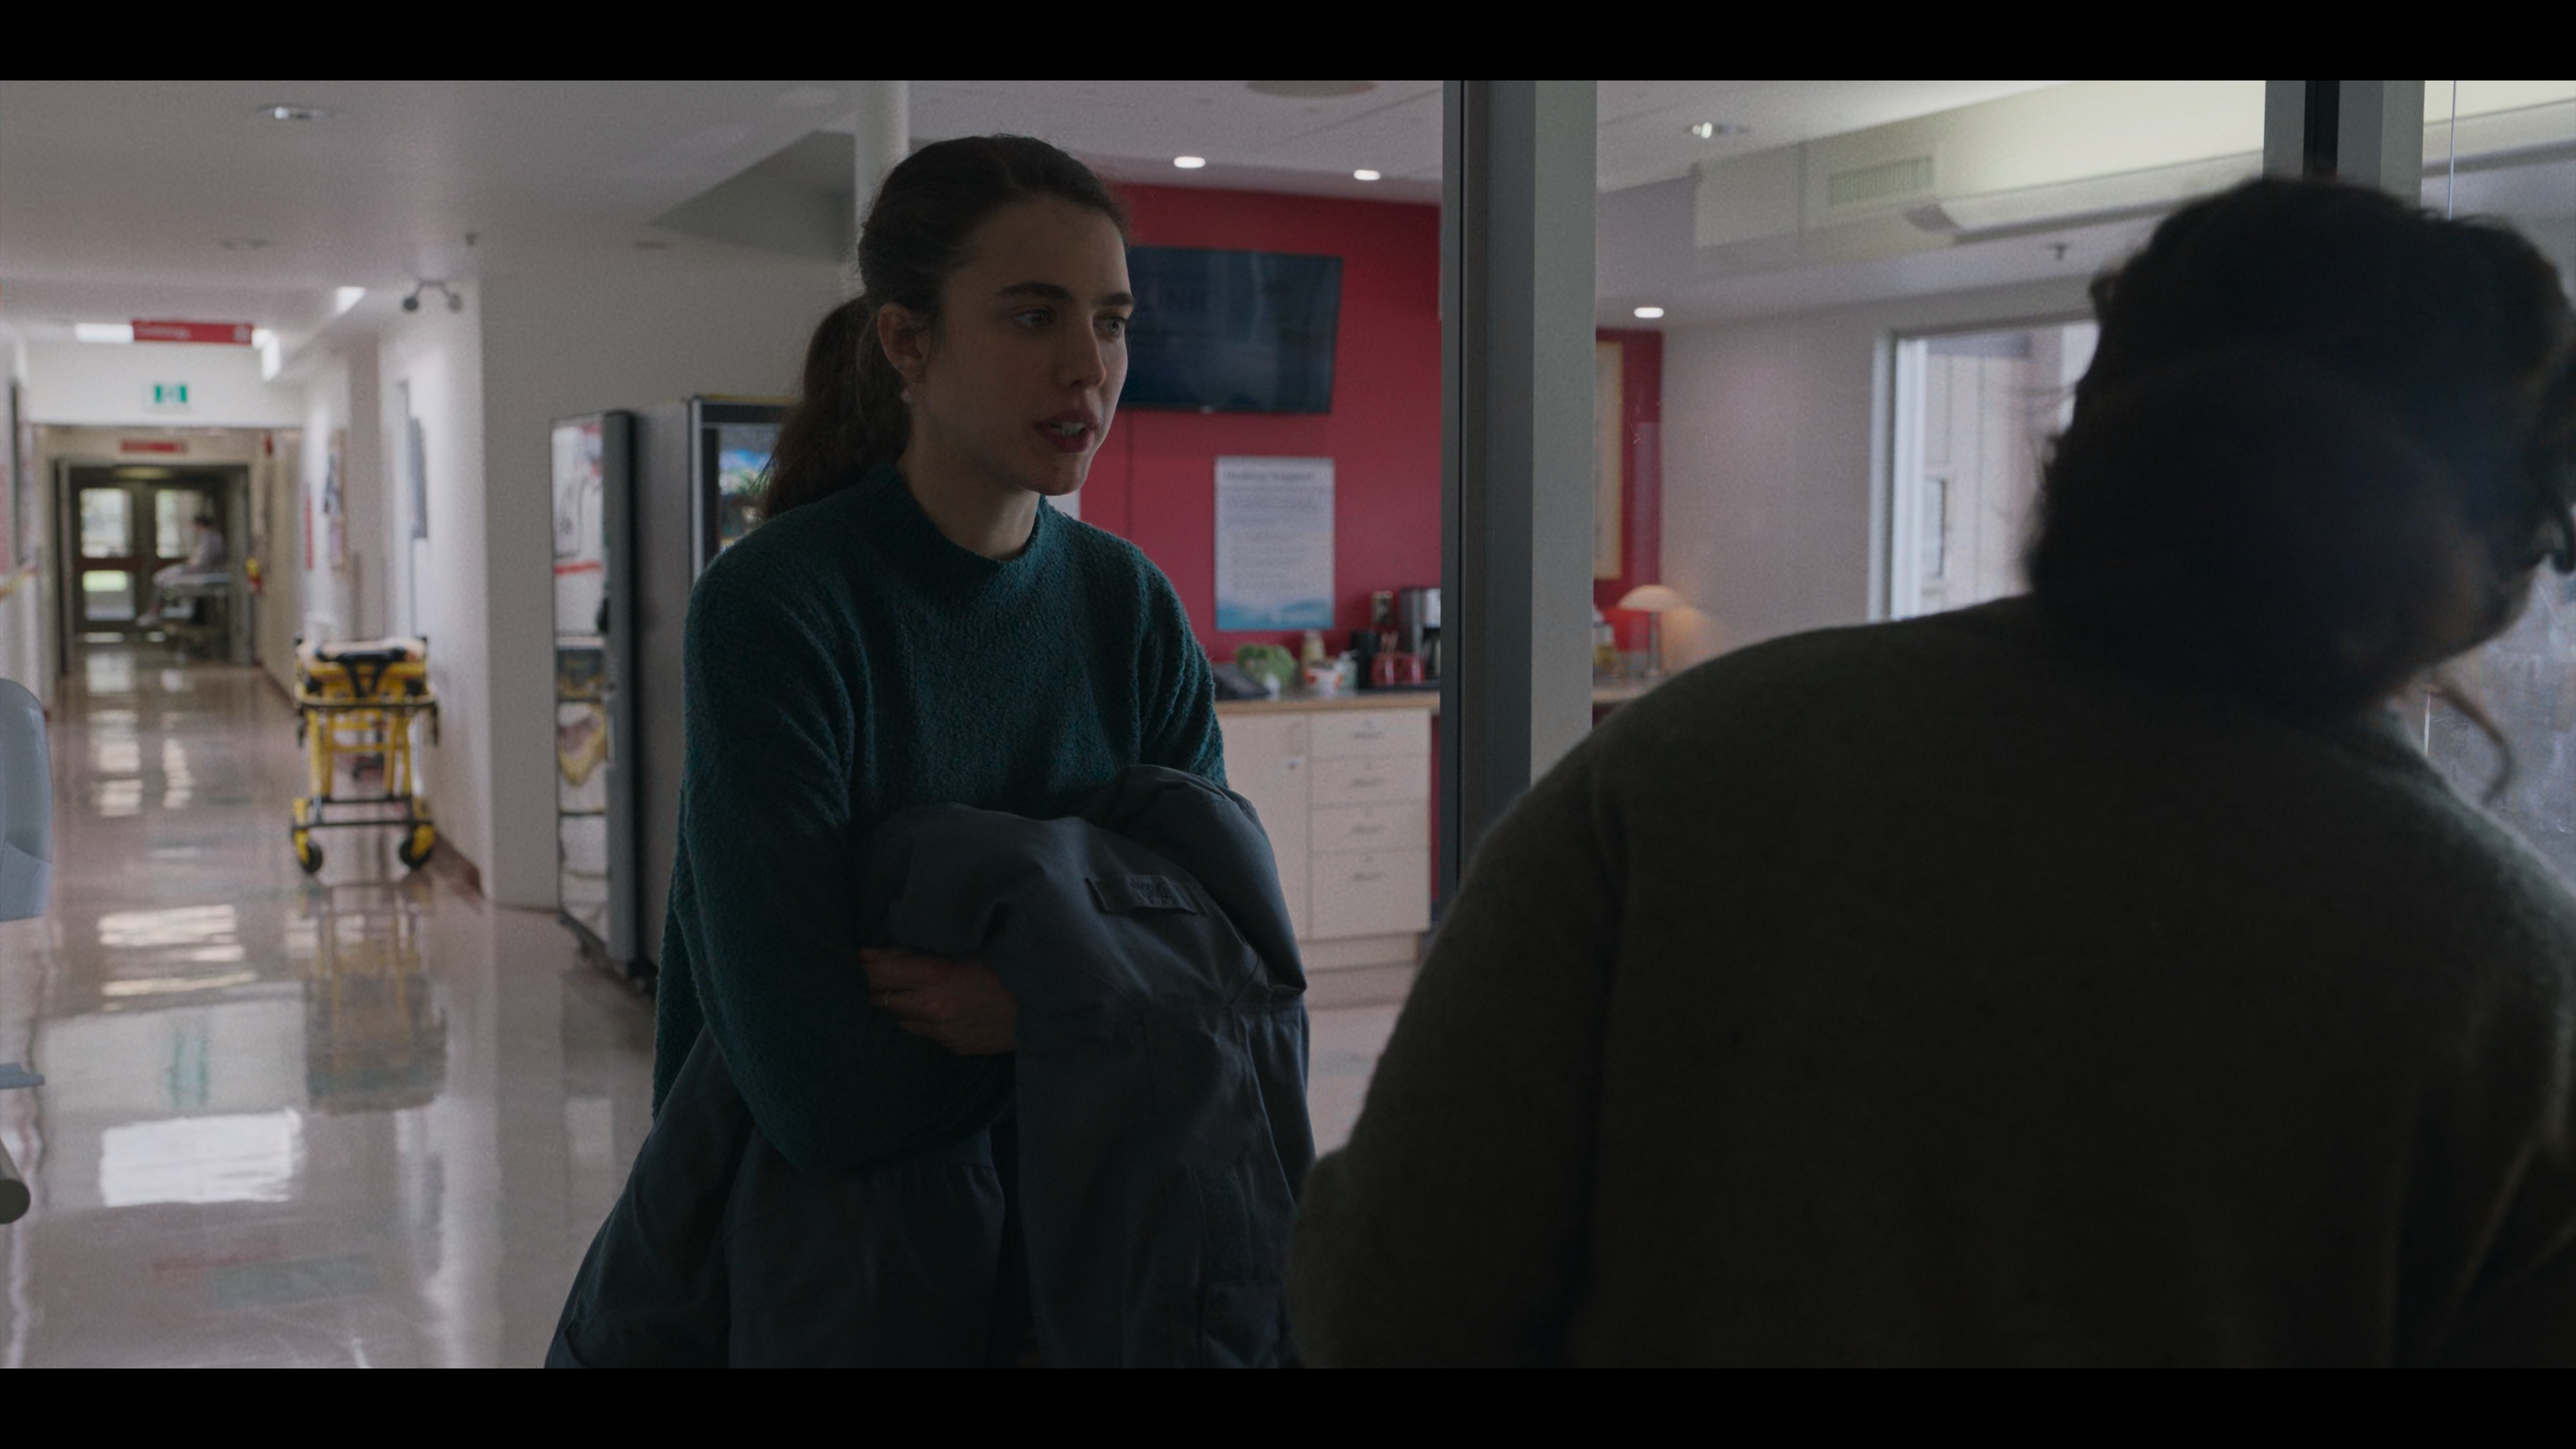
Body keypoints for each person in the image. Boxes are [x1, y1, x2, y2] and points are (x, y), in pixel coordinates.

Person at [1285, 178, 2576, 1366]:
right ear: (2510, 558)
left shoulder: (1692, 761)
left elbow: (1388, 1289)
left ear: (2092, 430)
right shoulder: (2506, 974)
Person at [642, 136, 1224, 1360]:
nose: (1089, 367)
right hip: (838, 1273)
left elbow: (1219, 961)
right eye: (1033, 316)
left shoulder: (1130, 609)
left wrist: (1040, 1009)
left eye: (1112, 322)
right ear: (908, 342)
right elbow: (817, 1091)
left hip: (1095, 1253)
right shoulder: (779, 607)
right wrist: (1102, 1015)